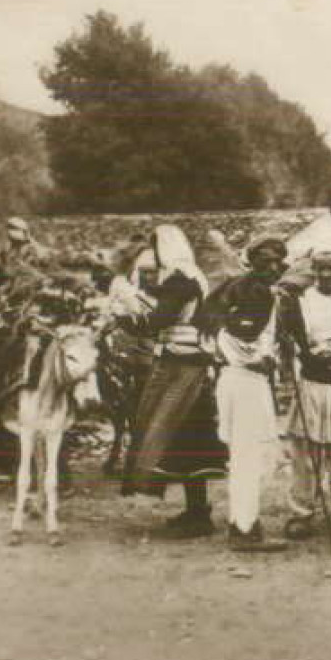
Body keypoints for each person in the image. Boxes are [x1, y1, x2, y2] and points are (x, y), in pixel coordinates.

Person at [125, 225, 219, 537]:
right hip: (182, 363)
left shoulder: (182, 280)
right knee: (186, 440)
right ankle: (196, 511)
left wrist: (126, 319)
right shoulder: (190, 278)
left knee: (175, 433)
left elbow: (159, 321)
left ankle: (198, 516)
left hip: (184, 367)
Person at [203, 236, 291, 553]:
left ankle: (245, 522)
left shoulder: (240, 288)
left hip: (240, 381)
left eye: (277, 262)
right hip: (244, 381)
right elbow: (246, 337)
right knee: (248, 456)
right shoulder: (251, 293)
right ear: (252, 263)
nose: (273, 267)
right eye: (265, 261)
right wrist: (267, 356)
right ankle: (243, 527)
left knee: (248, 455)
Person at [279, 250, 331, 539]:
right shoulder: (301, 301)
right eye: (320, 269)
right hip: (313, 378)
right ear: (314, 271)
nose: (326, 275)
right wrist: (315, 359)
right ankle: (302, 511)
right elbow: (296, 341)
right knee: (305, 451)